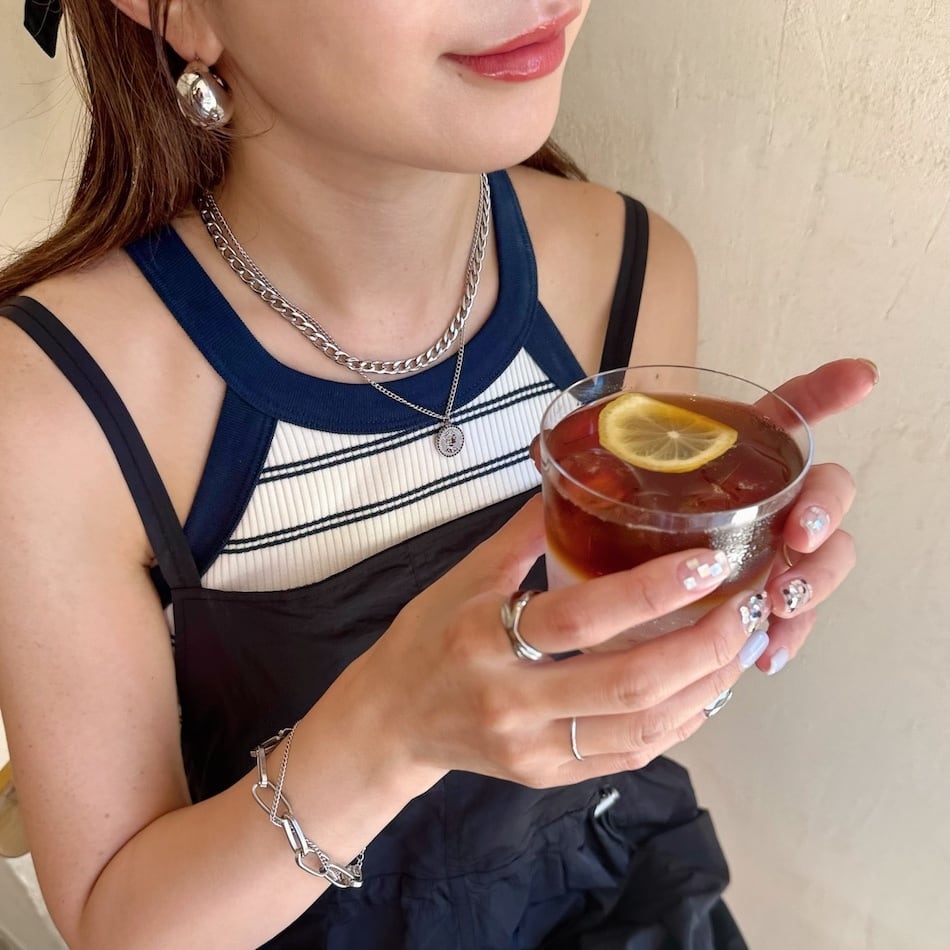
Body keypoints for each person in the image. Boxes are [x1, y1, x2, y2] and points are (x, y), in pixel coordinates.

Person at [0, 2, 876, 948]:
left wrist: (725, 593)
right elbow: (121, 927)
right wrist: (388, 731)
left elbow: (618, 689)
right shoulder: (55, 403)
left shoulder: (632, 266)